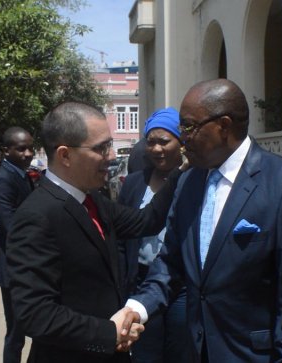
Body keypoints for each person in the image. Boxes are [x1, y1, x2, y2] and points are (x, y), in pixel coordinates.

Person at [123, 79, 282, 362]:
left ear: (224, 126)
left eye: (189, 126)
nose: (182, 136)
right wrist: (137, 308)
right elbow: (170, 262)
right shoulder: (188, 181)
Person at [5, 102, 183, 363]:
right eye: (101, 148)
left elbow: (146, 221)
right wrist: (109, 333)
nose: (111, 157)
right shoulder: (36, 216)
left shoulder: (93, 200)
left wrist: (179, 174)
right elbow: (35, 314)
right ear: (65, 155)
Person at [117, 107, 189, 363]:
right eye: (151, 142)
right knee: (146, 352)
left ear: (181, 143)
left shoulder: (193, 181)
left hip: (181, 286)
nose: (157, 149)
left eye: (164, 141)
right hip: (140, 282)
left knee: (180, 351)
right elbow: (122, 236)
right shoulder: (135, 182)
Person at [0, 127, 35, 362]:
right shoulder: (3, 179)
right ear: (7, 151)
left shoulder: (21, 174)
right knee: (16, 332)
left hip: (25, 266)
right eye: (21, 149)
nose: (28, 153)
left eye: (30, 148)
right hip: (12, 267)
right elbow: (11, 226)